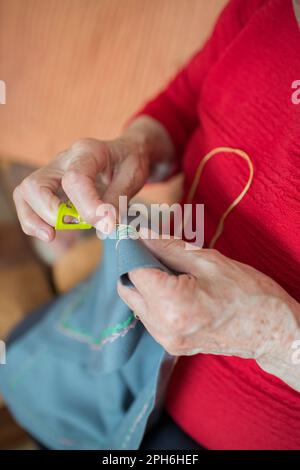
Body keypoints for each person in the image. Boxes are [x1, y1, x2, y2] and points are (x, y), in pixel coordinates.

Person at [13, 0, 300, 449]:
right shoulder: (267, 9)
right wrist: (136, 147)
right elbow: (184, 104)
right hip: (127, 371)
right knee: (20, 365)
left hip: (216, 438)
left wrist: (273, 335)